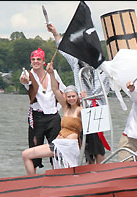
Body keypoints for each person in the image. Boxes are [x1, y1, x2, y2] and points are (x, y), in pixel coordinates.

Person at [47, 23, 110, 164]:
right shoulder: (76, 63)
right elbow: (63, 50)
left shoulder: (103, 68)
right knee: (84, 142)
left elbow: (109, 85)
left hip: (97, 110)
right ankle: (86, 167)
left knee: (97, 144)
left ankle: (101, 169)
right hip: (81, 109)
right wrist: (55, 33)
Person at [22, 62, 83, 175]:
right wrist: (51, 74)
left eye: (73, 96)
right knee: (26, 154)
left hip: (69, 146)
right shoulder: (65, 108)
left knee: (63, 170)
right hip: (58, 144)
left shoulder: (80, 110)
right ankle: (32, 184)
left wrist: (85, 98)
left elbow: (93, 117)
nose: (71, 99)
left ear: (77, 97)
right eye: (68, 97)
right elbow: (55, 89)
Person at [19, 47, 66, 173]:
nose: (35, 61)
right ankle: (32, 182)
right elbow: (24, 80)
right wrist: (24, 80)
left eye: (38, 59)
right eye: (33, 59)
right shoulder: (28, 74)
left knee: (56, 149)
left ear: (43, 61)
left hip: (53, 116)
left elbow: (63, 90)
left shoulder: (53, 73)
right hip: (37, 117)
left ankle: (57, 178)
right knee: (34, 148)